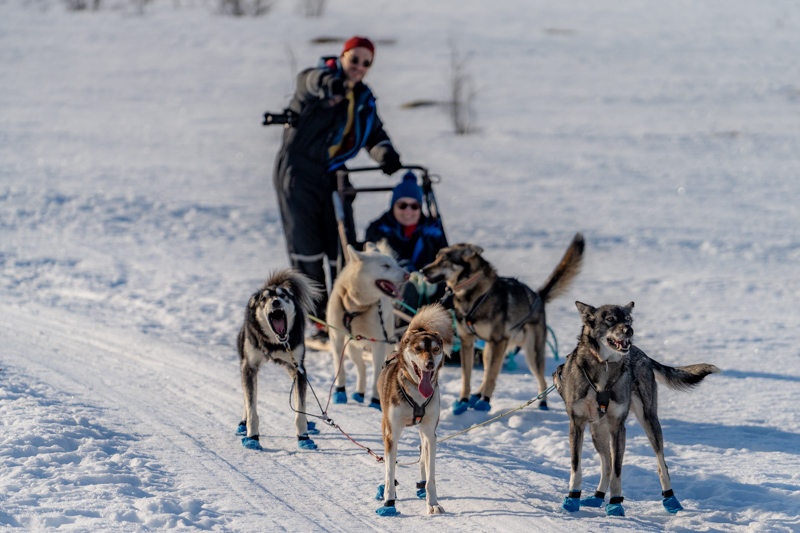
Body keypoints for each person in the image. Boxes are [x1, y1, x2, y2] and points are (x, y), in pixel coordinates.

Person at [272, 36, 403, 343]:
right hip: (298, 172)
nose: (358, 67)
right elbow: (308, 82)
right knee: (308, 249)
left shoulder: (363, 98)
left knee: (341, 248)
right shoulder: (318, 80)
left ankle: (346, 312)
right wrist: (329, 85)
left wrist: (385, 154)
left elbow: (374, 133)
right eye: (354, 59)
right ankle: (316, 321)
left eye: (365, 63)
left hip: (333, 174)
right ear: (342, 56)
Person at [365, 171, 448, 308]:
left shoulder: (433, 231)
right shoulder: (378, 230)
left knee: (445, 287)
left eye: (414, 206)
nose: (408, 211)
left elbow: (444, 261)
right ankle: (405, 327)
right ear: (393, 205)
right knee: (409, 287)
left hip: (429, 287)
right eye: (402, 205)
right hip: (392, 289)